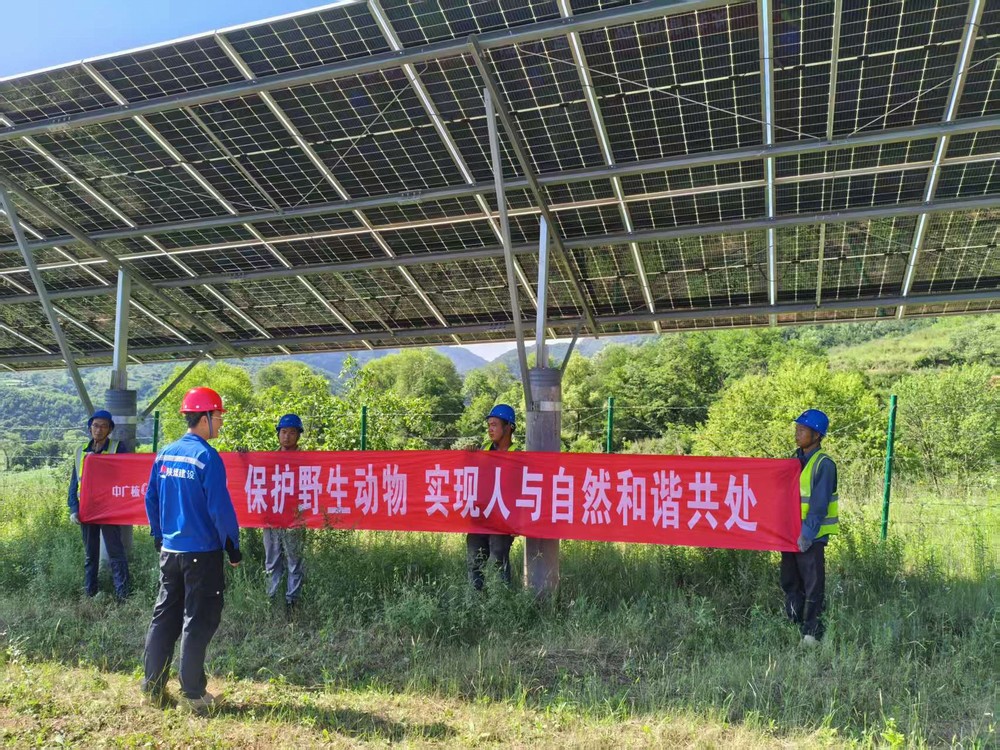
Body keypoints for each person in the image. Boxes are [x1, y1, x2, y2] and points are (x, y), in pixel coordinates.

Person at [141, 387, 241, 712]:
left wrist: (159, 534)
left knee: (164, 618)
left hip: (170, 552)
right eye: (218, 417)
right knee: (197, 621)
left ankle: (152, 688)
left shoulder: (165, 453)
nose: (220, 424)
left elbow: (150, 498)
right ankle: (194, 695)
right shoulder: (206, 457)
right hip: (202, 554)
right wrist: (233, 548)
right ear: (205, 417)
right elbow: (220, 510)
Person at [781, 409, 839, 645]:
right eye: (797, 429)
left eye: (802, 430)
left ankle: (811, 633)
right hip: (788, 535)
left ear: (816, 435)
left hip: (811, 537)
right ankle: (793, 624)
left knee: (812, 585)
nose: (797, 433)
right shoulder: (793, 461)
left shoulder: (823, 465)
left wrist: (807, 534)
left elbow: (819, 504)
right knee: (790, 582)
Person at [68, 409, 129, 600]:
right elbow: (73, 483)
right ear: (90, 428)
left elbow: (128, 476)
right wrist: (74, 508)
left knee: (116, 553)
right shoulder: (81, 452)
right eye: (95, 425)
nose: (99, 429)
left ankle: (123, 596)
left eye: (103, 426)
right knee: (90, 555)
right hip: (87, 509)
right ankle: (89, 594)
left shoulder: (118, 448)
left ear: (110, 429)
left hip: (109, 509)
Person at [466, 404, 517, 590]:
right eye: (489, 424)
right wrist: (469, 456)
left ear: (508, 427)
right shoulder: (483, 449)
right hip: (480, 516)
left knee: (498, 560)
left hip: (502, 519)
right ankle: (476, 602)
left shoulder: (518, 455)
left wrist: (517, 522)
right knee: (474, 560)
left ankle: (502, 601)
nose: (490, 429)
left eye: (494, 424)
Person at [264, 413, 306, 613]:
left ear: (298, 435)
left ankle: (292, 603)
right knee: (272, 562)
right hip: (271, 519)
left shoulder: (306, 461)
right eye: (283, 432)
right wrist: (243, 458)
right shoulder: (268, 460)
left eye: (291, 432)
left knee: (294, 562)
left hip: (294, 520)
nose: (287, 436)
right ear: (278, 434)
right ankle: (271, 600)